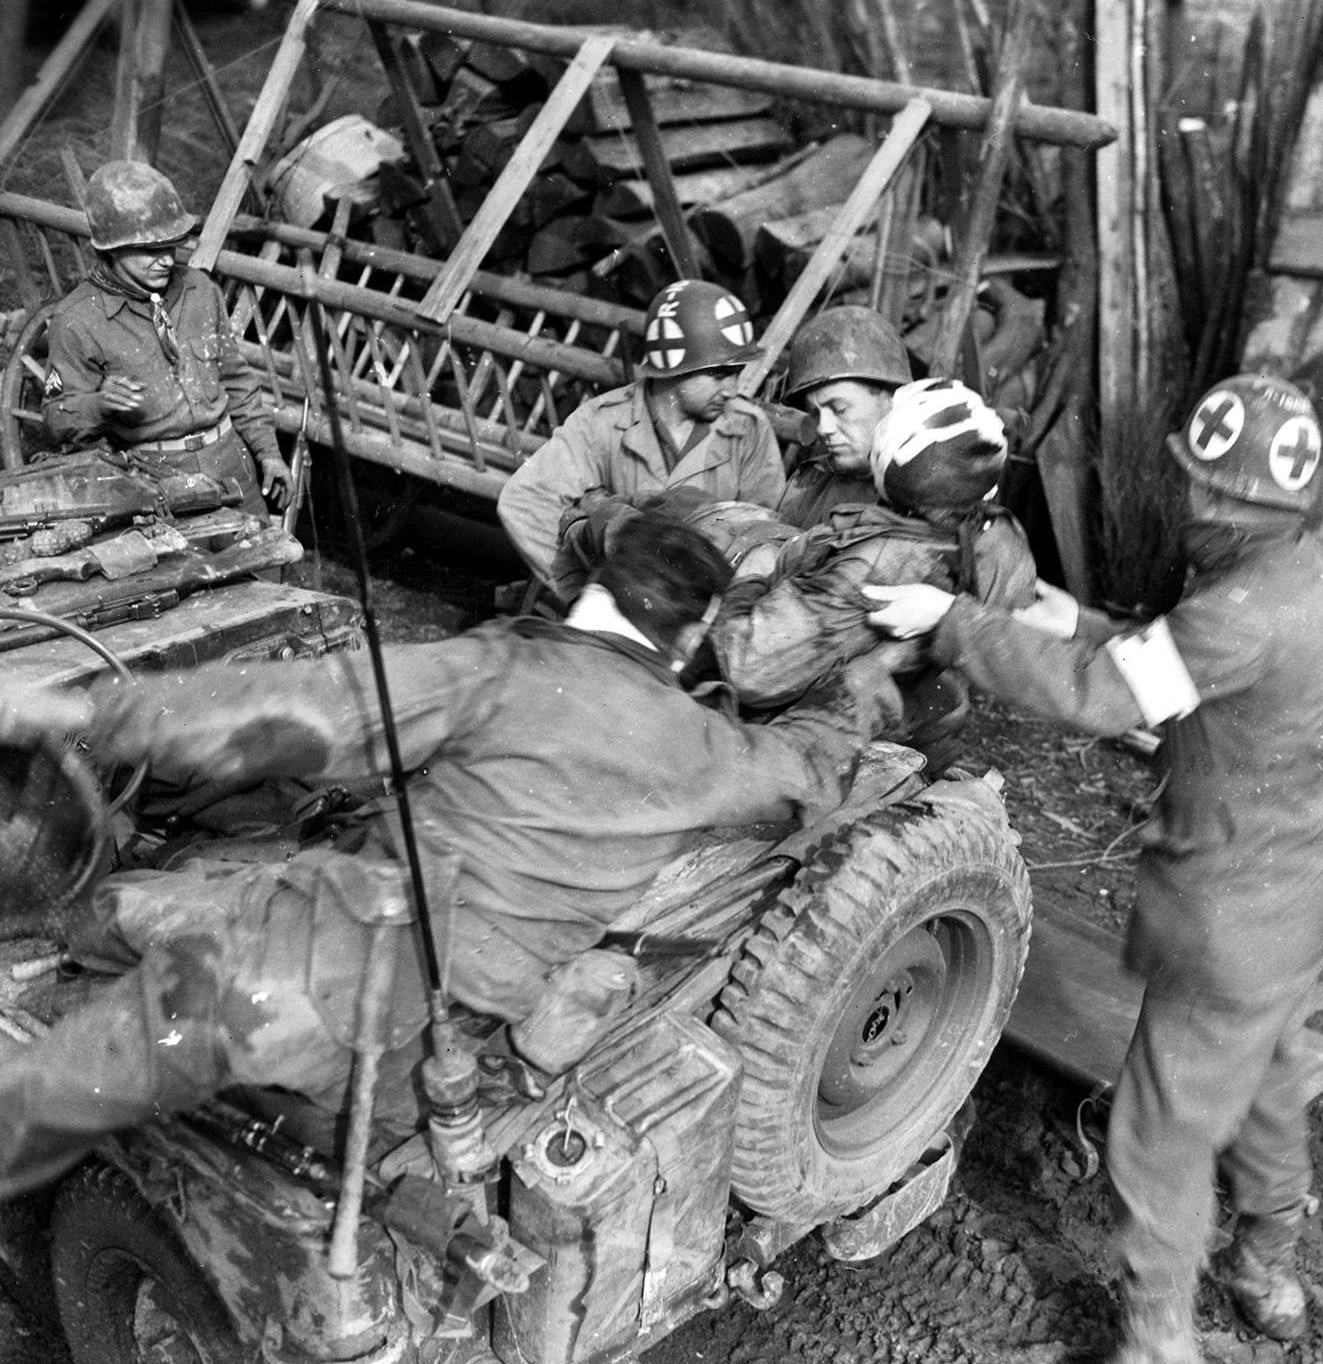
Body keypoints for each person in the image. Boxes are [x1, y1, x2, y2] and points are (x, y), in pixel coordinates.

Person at [0, 503, 904, 1200]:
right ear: (692, 635)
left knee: (67, 1044)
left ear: (591, 590)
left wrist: (83, 713)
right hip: (437, 1048)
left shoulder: (498, 671)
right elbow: (808, 773)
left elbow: (301, 710)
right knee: (174, 910)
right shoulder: (710, 752)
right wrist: (864, 683)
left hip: (299, 982)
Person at [865, 373, 1323, 1364]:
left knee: (1156, 1134)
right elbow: (1161, 662)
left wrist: (954, 626)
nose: (1183, 505)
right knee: (1266, 1081)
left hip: (1231, 905)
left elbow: (1101, 698)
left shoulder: (1241, 604)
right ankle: (1265, 1268)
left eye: (1194, 490)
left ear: (1225, 504)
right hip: (1301, 884)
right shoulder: (1291, 574)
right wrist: (1064, 618)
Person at [708, 379, 1035, 765]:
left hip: (825, 738)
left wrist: (752, 575)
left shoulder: (875, 562)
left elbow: (746, 670)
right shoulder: (1001, 536)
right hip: (922, 711)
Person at [41, 161, 292, 519]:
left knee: (268, 567)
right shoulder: (78, 320)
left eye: (172, 246)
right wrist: (99, 404)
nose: (165, 260)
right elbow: (56, 418)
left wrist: (268, 453)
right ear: (112, 248)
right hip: (157, 481)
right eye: (150, 249)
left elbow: (236, 380)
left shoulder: (200, 290)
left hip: (233, 465)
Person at [496, 278, 785, 585]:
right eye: (718, 375)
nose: (732, 390)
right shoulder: (603, 422)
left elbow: (767, 535)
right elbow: (523, 501)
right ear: (676, 367)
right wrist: (577, 590)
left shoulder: (749, 429)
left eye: (736, 374)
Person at [773, 304, 913, 528]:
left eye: (839, 409)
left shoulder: (930, 496)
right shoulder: (809, 481)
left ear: (891, 400)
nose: (823, 428)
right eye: (815, 413)